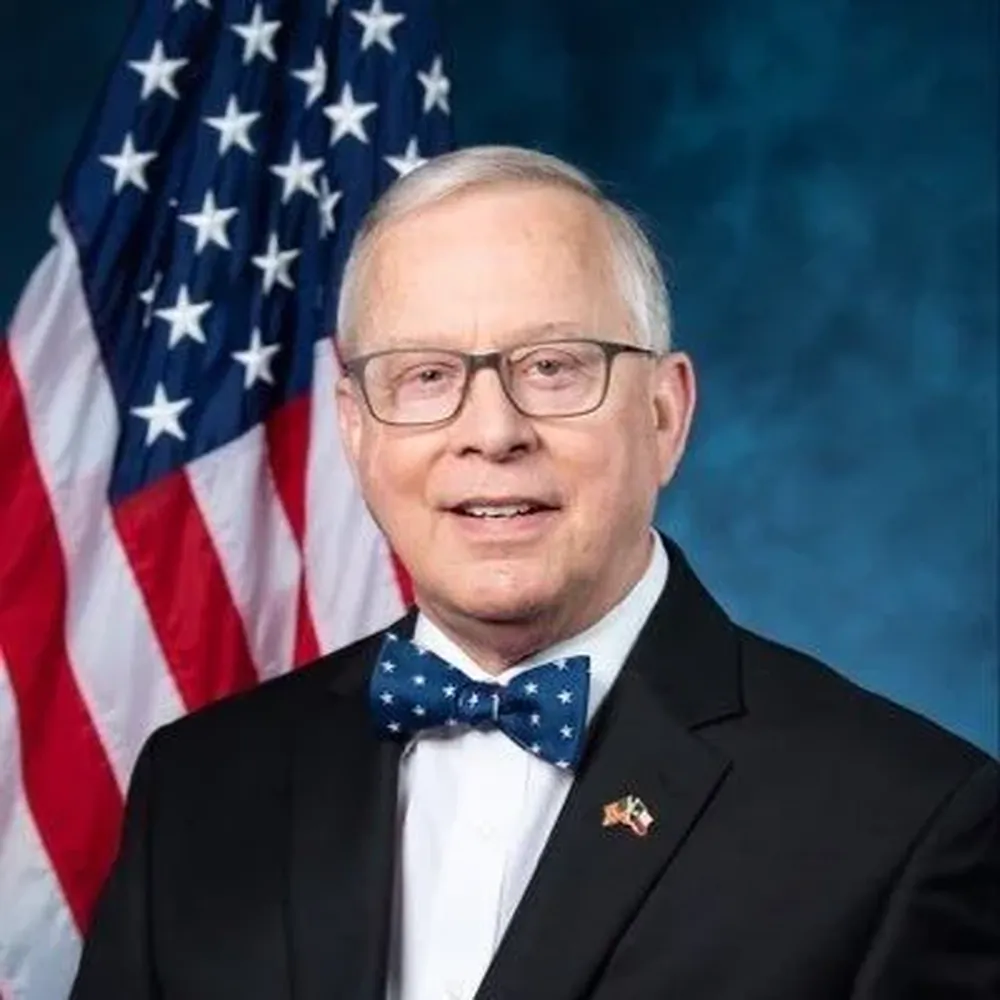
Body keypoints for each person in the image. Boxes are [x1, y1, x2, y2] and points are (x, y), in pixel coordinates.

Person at [72, 146, 999, 999]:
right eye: (426, 376)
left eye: (553, 367)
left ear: (665, 415)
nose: (492, 432)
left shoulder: (904, 823)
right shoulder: (198, 786)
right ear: (355, 430)